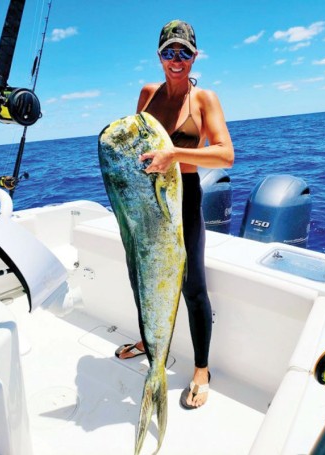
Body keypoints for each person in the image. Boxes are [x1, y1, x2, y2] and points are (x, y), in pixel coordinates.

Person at [115, 19, 234, 409]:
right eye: (170, 52)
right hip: (146, 201)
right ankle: (151, 344)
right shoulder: (148, 93)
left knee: (192, 286)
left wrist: (175, 154)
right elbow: (134, 145)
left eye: (184, 52)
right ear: (159, 56)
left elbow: (224, 154)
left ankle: (201, 368)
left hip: (184, 200)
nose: (177, 59)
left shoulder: (204, 100)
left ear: (195, 55)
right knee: (142, 276)